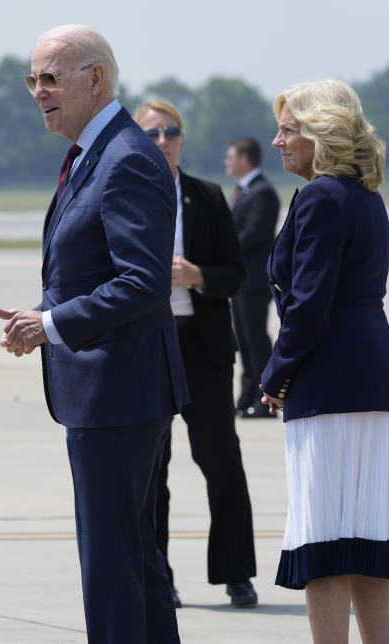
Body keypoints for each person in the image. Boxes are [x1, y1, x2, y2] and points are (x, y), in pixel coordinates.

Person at [0, 25, 188, 644]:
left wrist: (50, 325)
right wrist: (43, 320)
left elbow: (141, 283)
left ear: (95, 79)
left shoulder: (126, 156)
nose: (38, 92)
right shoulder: (93, 152)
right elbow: (87, 269)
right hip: (112, 391)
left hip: (120, 391)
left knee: (112, 567)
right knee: (134, 563)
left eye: (50, 78)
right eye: (34, 79)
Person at [264, 79, 389, 643]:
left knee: (323, 545)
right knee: (368, 547)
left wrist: (276, 375)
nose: (277, 140)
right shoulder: (365, 196)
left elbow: (307, 306)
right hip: (374, 379)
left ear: (320, 133)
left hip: (328, 381)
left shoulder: (321, 196)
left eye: (288, 129)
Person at [133, 100, 257, 609]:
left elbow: (236, 272)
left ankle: (236, 574)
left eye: (171, 132)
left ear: (182, 140)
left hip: (202, 347)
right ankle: (157, 575)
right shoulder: (125, 193)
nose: (163, 140)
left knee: (221, 459)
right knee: (150, 467)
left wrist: (198, 276)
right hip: (148, 347)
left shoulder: (207, 196)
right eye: (153, 133)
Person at [224, 137, 280, 418]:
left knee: (256, 341)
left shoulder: (263, 192)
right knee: (244, 341)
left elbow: (252, 235)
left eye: (230, 157)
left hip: (254, 281)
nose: (226, 162)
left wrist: (220, 250)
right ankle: (246, 396)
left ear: (245, 159)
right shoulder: (243, 191)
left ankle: (264, 398)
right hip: (241, 280)